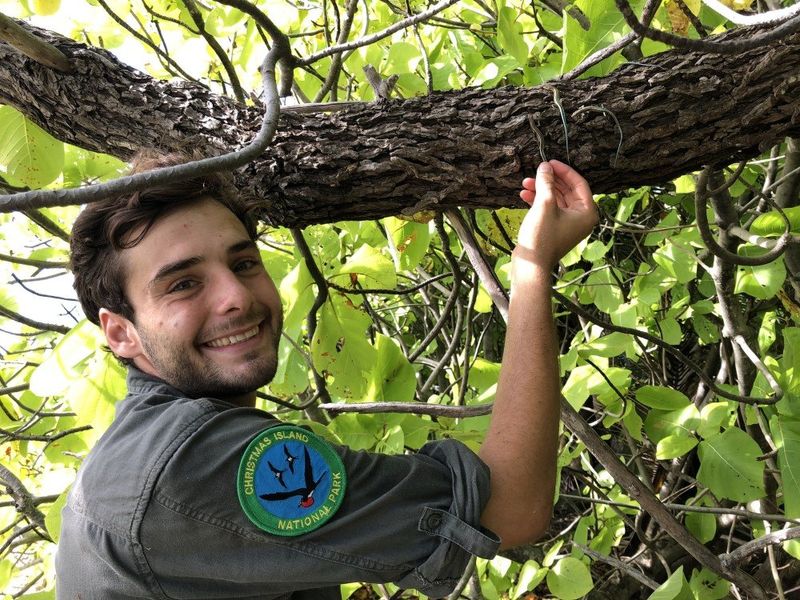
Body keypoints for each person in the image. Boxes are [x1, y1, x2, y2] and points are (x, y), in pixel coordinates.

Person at [56, 152, 597, 599]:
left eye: (244, 263)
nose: (236, 297)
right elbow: (510, 507)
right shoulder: (189, 461)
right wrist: (533, 267)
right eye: (182, 284)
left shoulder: (132, 455)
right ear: (121, 332)